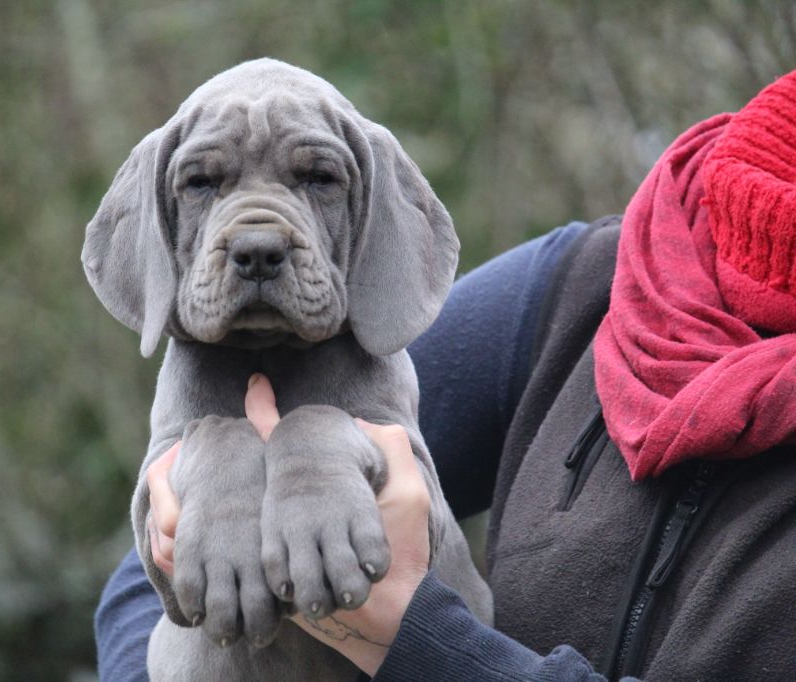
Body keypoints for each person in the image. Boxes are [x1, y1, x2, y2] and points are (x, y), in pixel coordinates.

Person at [96, 71, 796, 680]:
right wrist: (204, 487)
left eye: (317, 179)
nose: (257, 238)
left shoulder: (374, 336)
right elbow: (138, 586)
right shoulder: (581, 290)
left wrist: (413, 635)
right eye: (200, 181)